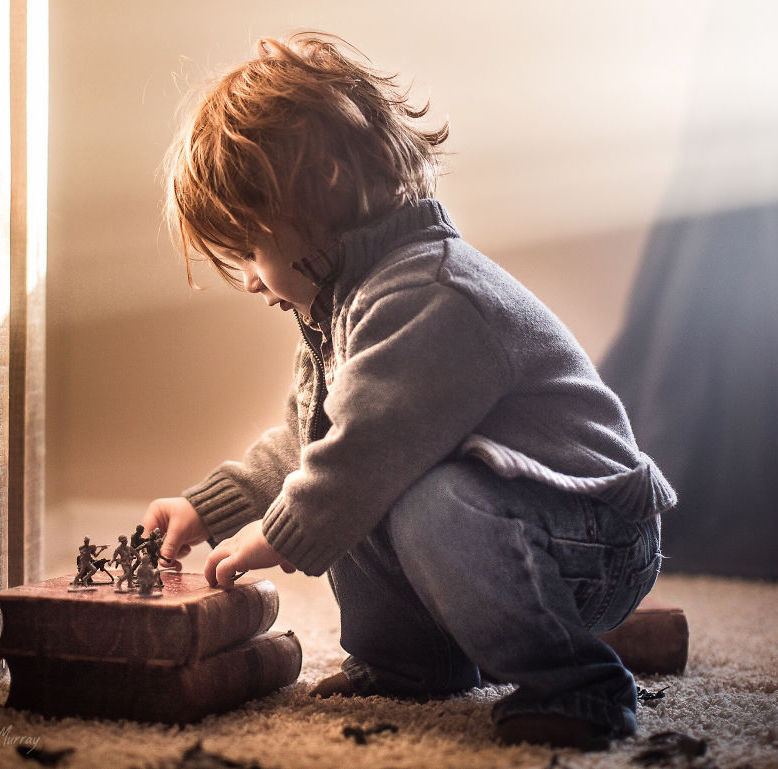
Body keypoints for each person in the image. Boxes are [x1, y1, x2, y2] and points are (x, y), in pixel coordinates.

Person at [142, 32, 675, 750]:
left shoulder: (429, 291)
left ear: (320, 194)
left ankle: (579, 682)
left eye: (250, 250)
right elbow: (315, 440)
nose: (248, 281)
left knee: (414, 496)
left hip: (596, 531)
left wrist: (274, 535)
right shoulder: (339, 303)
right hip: (520, 521)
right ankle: (413, 665)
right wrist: (210, 505)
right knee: (367, 487)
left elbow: (360, 452)